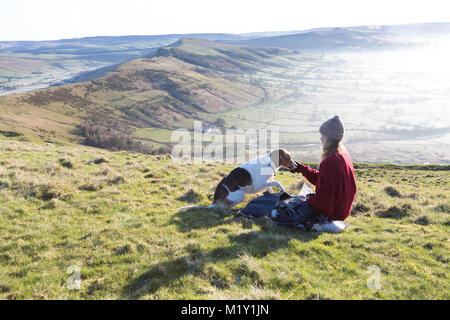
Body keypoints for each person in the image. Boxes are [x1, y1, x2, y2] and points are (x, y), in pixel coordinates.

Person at [290, 115, 357, 221]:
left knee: (290, 204)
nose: (320, 138)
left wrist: (308, 199)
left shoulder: (330, 162)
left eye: (323, 135)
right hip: (342, 211)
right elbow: (324, 181)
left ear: (329, 138)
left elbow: (323, 205)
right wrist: (301, 169)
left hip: (333, 215)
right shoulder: (343, 155)